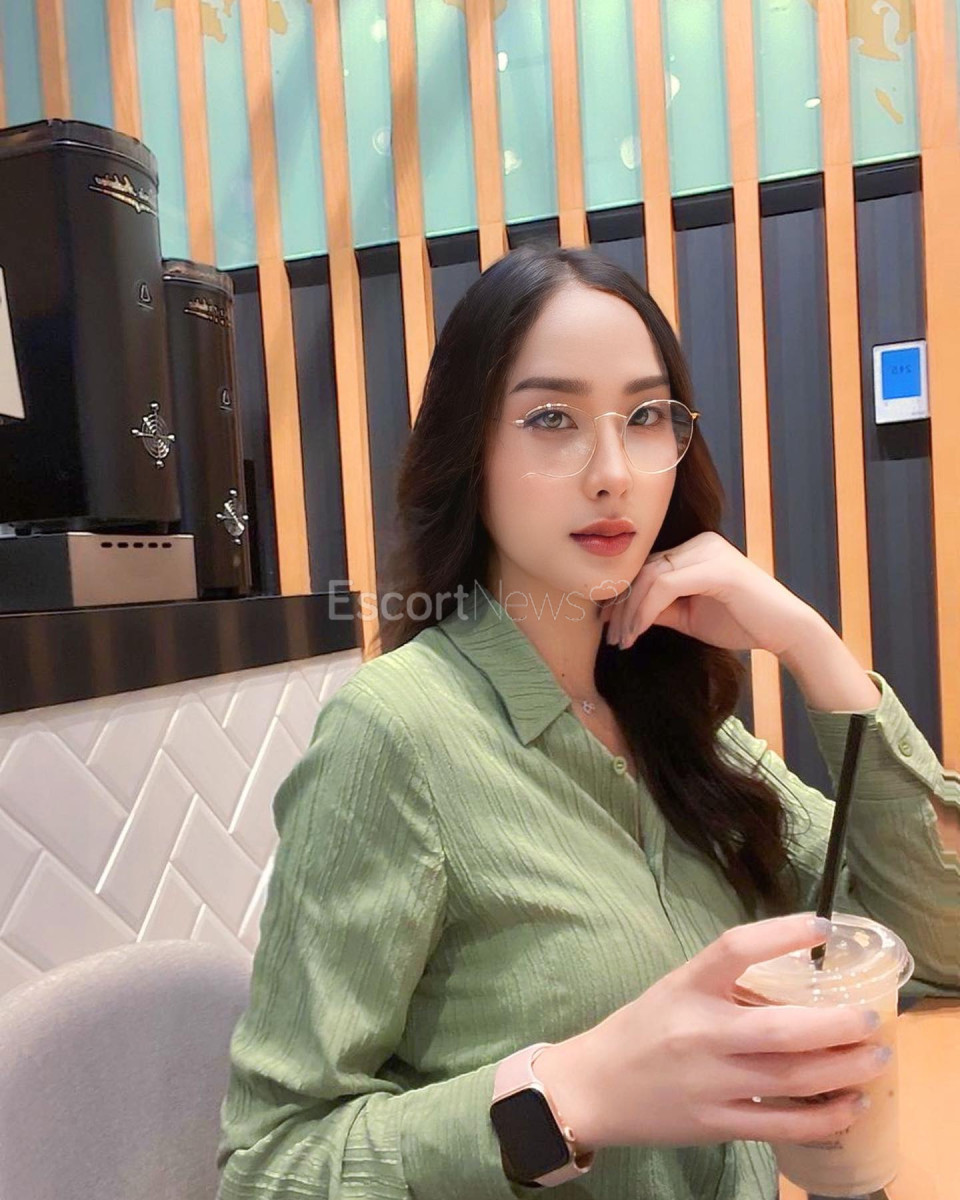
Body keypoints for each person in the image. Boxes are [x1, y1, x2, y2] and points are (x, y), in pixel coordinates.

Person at [215, 245, 960, 1199]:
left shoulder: (681, 723)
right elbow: (270, 1166)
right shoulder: (394, 738)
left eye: (645, 417)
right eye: (551, 419)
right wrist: (569, 1095)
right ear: (470, 453)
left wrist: (815, 650)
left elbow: (937, 948)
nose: (613, 473)